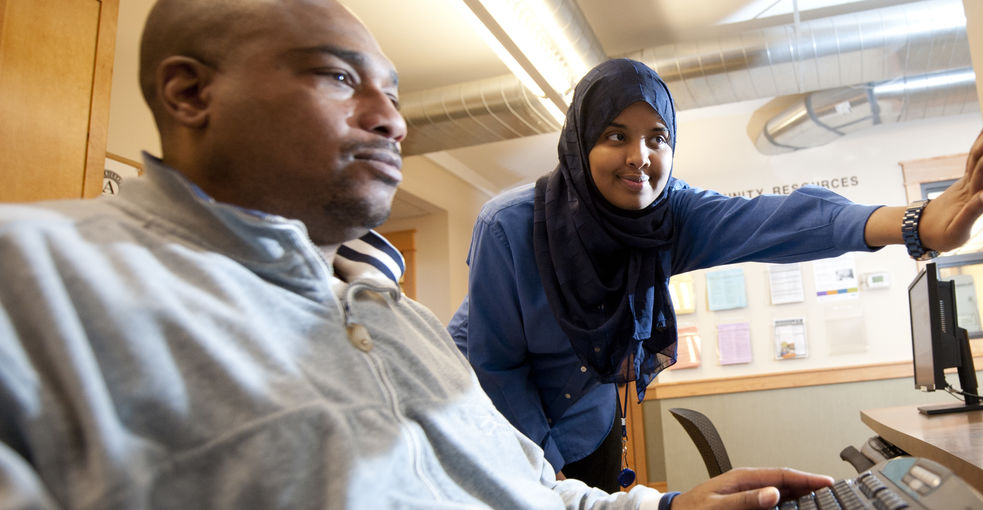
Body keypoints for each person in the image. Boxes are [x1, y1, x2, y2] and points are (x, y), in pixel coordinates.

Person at [0, 0, 836, 508]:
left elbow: (535, 495)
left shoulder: (396, 321)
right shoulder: (34, 278)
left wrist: (664, 507)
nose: (393, 120)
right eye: (337, 77)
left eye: (393, 94)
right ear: (191, 93)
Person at [447, 59, 983, 490]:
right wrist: (546, 482)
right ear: (578, 142)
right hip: (496, 419)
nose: (639, 156)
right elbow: (496, 367)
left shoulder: (670, 218)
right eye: (615, 135)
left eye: (657, 137)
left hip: (586, 423)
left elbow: (784, 220)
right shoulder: (510, 227)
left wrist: (915, 223)